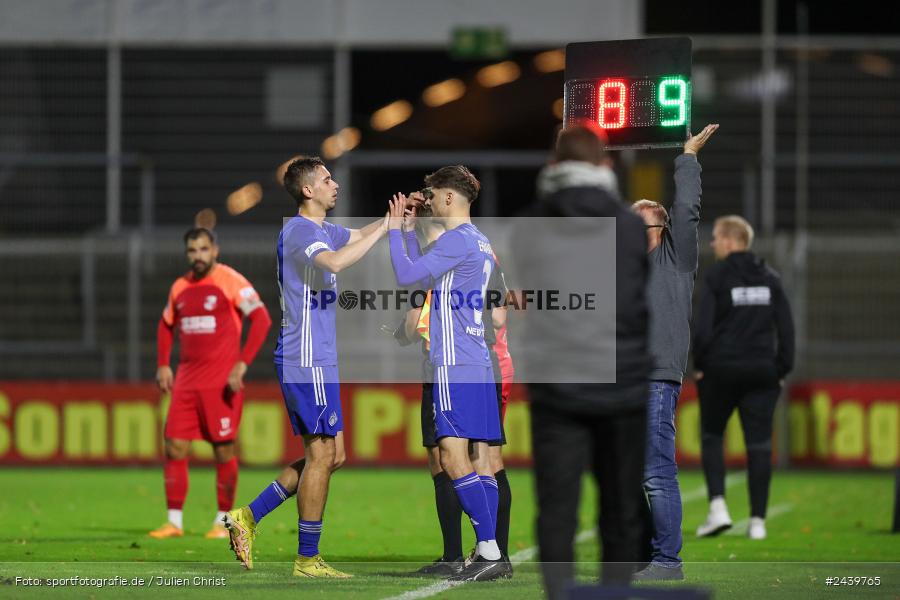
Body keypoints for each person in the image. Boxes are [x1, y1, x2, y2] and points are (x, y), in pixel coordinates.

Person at [223, 156, 387, 577]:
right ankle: (307, 558)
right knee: (320, 455)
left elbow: (359, 235)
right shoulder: (298, 231)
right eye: (327, 179)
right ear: (308, 190)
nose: (335, 185)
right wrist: (385, 228)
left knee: (333, 456)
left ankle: (249, 515)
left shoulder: (322, 230)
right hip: (305, 356)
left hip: (321, 358)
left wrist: (397, 218)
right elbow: (334, 262)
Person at [514, 123, 651, 598]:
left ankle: (559, 592)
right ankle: (616, 590)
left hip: (558, 386)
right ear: (604, 166)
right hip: (624, 381)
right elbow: (636, 306)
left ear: (554, 168)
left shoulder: (530, 226)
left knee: (557, 506)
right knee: (620, 507)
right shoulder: (631, 227)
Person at [387, 165, 511, 582]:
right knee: (479, 465)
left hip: (453, 362)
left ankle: (490, 552)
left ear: (448, 198)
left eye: (433, 194)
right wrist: (409, 231)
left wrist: (393, 231)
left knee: (452, 459)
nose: (429, 200)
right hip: (477, 360)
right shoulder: (479, 240)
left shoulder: (458, 240)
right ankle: (489, 551)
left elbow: (407, 274)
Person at [630, 123, 719, 580]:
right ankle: (646, 553)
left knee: (655, 472)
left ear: (658, 226)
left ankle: (668, 560)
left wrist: (687, 157)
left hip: (655, 379)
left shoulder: (675, 256)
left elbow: (688, 208)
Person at [151, 227, 272, 540]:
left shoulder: (231, 281)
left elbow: (261, 319)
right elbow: (166, 326)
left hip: (221, 383)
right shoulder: (180, 287)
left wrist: (242, 363)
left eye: (204, 249)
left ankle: (222, 522)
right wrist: (164, 364)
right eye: (193, 251)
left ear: (214, 250)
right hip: (186, 382)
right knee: (174, 446)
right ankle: (174, 522)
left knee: (222, 449)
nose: (198, 256)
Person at [692, 215, 795, 541]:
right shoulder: (770, 277)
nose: (713, 244)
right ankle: (757, 522)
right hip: (762, 371)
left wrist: (700, 363)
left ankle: (718, 508)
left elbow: (703, 326)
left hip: (721, 369)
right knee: (760, 445)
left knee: (711, 436)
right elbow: (787, 328)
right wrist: (781, 369)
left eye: (717, 238)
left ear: (730, 240)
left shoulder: (717, 276)